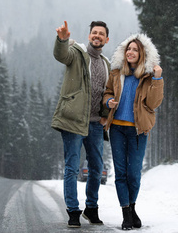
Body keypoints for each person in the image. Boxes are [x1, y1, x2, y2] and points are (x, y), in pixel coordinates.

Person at [51, 20, 111, 228]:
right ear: (89, 36)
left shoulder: (106, 64)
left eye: (101, 34)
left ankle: (91, 209)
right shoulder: (76, 54)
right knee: (72, 167)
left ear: (106, 39)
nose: (97, 36)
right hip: (74, 122)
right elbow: (61, 55)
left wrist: (105, 113)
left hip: (95, 125)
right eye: (94, 32)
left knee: (96, 168)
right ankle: (73, 211)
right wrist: (62, 40)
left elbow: (107, 93)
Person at [103, 33, 164, 230]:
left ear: (142, 53)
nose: (130, 52)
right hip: (117, 129)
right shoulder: (116, 72)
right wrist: (108, 101)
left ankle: (132, 208)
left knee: (134, 174)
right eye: (128, 49)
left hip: (138, 130)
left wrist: (157, 78)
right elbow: (107, 92)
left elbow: (154, 103)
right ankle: (126, 214)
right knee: (120, 173)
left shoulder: (148, 76)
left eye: (135, 49)